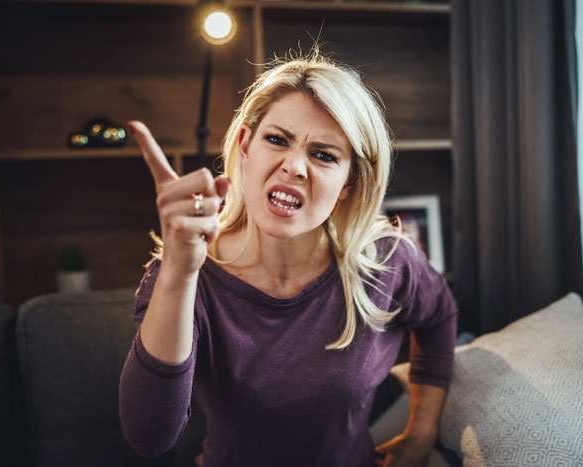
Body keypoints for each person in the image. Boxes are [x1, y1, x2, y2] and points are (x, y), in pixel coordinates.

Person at [119, 51, 457, 467]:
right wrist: (178, 273)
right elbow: (148, 438)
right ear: (245, 146)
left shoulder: (388, 260)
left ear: (349, 182)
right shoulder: (186, 276)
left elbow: (440, 318)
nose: (294, 166)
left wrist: (421, 433)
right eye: (277, 139)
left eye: (324, 154)